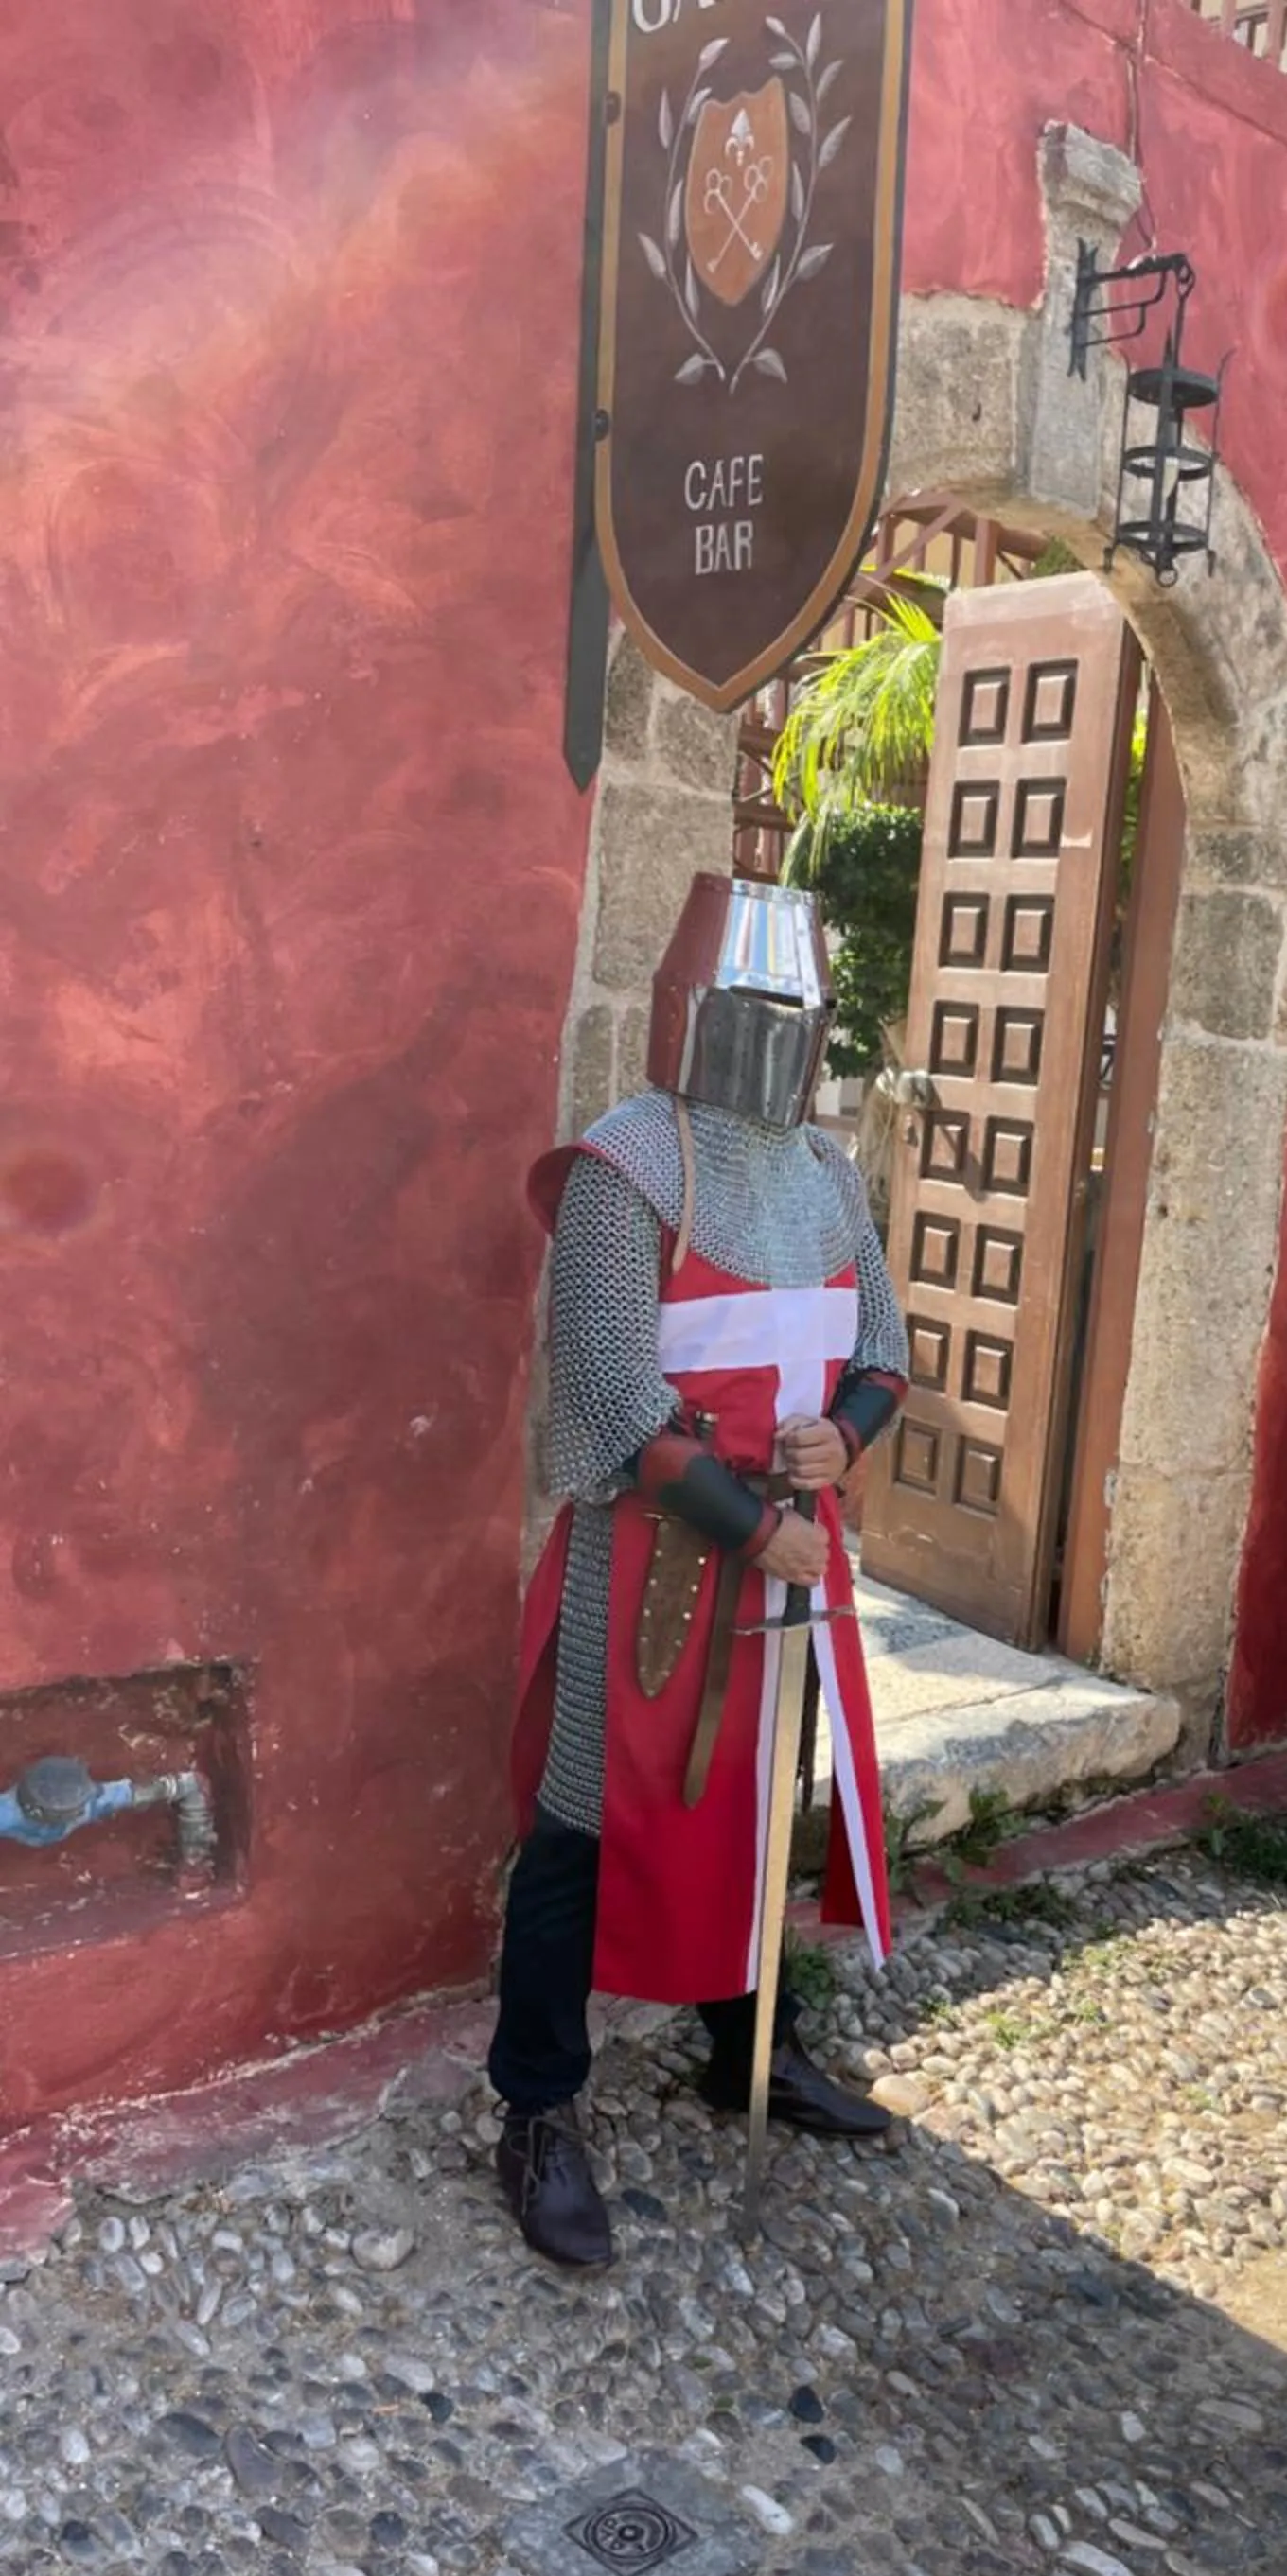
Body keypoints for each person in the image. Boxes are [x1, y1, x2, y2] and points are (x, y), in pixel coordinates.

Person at [494, 874, 911, 2266]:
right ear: (691, 1007)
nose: (772, 1031)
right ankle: (540, 2108)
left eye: (794, 1008)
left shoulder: (831, 1174)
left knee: (756, 1809)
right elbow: (612, 1396)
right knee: (580, 1828)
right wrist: (754, 1522)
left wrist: (835, 1442)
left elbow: (883, 1358)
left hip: (787, 1546)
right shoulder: (627, 1166)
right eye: (750, 1004)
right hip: (650, 1564)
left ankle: (752, 2048)